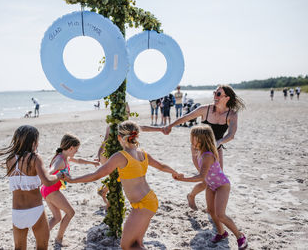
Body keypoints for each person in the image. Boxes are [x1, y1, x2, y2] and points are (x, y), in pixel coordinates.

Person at [64, 121, 180, 250]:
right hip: (150, 200)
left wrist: (72, 180)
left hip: (143, 205)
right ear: (136, 136)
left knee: (126, 246)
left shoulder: (120, 156)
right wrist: (174, 172)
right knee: (137, 244)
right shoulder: (142, 153)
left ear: (119, 138)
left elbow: (97, 175)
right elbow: (161, 166)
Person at [142, 85, 245, 210]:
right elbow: (186, 117)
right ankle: (192, 196)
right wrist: (170, 126)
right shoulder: (205, 109)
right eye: (214, 93)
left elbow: (231, 135)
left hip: (216, 149)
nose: (215, 96)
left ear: (227, 97)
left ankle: (210, 207)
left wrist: (218, 142)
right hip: (199, 150)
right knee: (206, 179)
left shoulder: (231, 114)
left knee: (217, 181)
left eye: (218, 94)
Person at [0, 125, 63, 250]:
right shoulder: (34, 158)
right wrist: (59, 175)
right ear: (33, 141)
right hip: (35, 210)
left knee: (19, 248)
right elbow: (47, 181)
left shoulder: (10, 160)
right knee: (41, 247)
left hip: (17, 212)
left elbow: (23, 181)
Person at [175, 126, 247, 249]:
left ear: (202, 139)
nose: (191, 141)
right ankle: (221, 233)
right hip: (211, 185)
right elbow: (198, 165)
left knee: (220, 215)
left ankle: (240, 236)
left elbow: (201, 176)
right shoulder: (200, 152)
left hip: (221, 185)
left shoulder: (208, 155)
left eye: (194, 138)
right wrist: (193, 150)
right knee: (211, 211)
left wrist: (183, 179)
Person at [40, 134, 99, 245]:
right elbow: (50, 170)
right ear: (71, 148)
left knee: (57, 217)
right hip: (51, 190)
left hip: (46, 190)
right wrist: (45, 176)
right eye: (76, 150)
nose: (76, 152)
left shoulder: (64, 156)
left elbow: (78, 160)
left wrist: (92, 162)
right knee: (71, 212)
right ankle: (59, 239)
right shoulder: (60, 160)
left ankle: (41, 236)